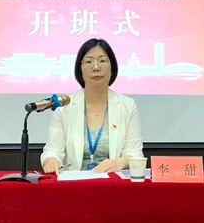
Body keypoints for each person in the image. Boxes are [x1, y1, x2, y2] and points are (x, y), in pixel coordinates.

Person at [41, 38, 143, 173]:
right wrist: (51, 159)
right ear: (80, 69)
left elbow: (135, 152)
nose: (96, 67)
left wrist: (119, 163)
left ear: (112, 68)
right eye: (89, 62)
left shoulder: (127, 105)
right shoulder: (64, 105)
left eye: (102, 61)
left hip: (113, 182)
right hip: (74, 183)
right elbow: (52, 151)